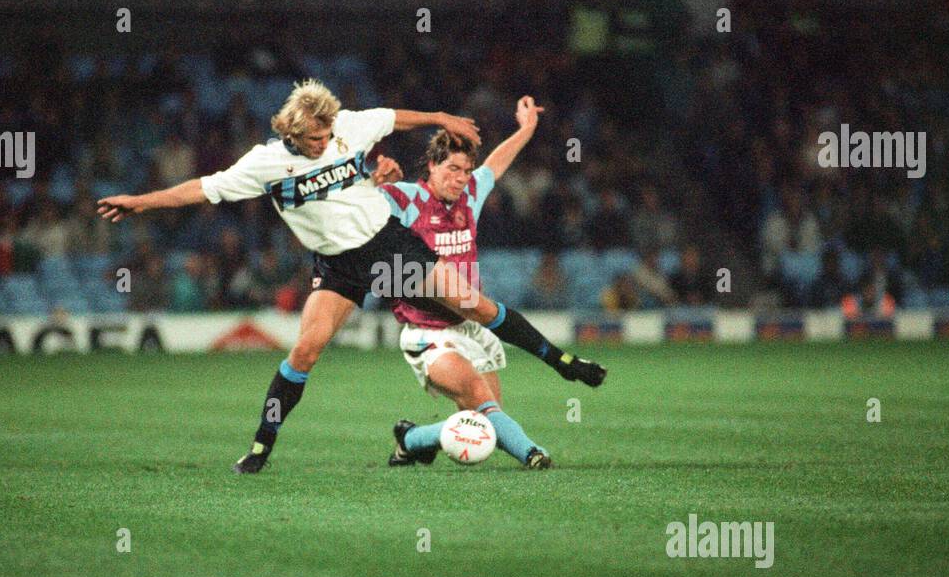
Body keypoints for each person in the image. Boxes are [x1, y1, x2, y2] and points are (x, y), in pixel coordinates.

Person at [97, 80, 605, 474]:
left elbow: (394, 118)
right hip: (337, 266)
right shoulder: (265, 163)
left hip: (387, 247)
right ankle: (259, 446)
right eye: (314, 139)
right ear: (290, 135)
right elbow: (202, 189)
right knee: (305, 351)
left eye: (326, 135)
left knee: (473, 303)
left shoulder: (346, 125)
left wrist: (439, 117)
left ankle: (562, 363)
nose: (324, 143)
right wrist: (140, 202)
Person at [380, 96, 554, 469]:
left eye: (466, 170)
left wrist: (526, 129)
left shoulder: (470, 195)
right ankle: (533, 453)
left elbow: (497, 163)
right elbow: (356, 207)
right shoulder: (405, 198)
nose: (461, 178)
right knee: (481, 402)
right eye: (453, 169)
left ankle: (411, 439)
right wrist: (371, 180)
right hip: (426, 333)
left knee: (483, 426)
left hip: (470, 326)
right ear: (431, 166)